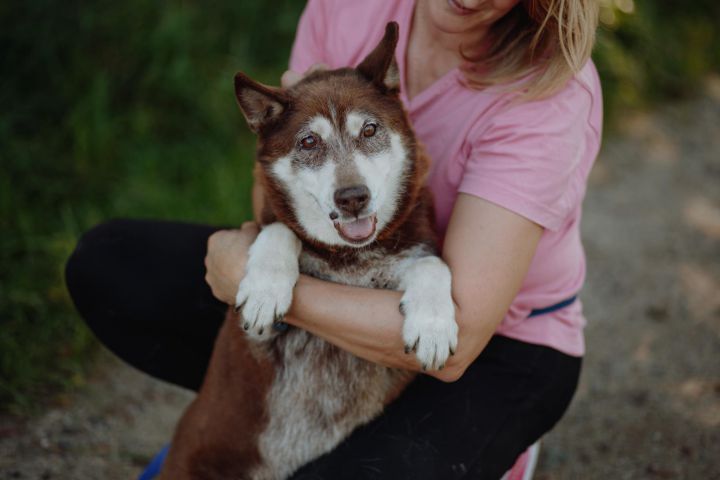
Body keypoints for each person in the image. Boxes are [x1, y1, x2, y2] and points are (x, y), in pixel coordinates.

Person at [65, 0, 602, 478]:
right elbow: (275, 180)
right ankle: (295, 425)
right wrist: (270, 256)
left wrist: (268, 289)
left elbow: (457, 344)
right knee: (112, 263)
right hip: (336, 274)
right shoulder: (348, 7)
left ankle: (476, 448)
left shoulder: (550, 92)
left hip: (491, 342)